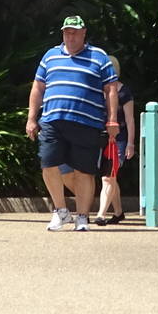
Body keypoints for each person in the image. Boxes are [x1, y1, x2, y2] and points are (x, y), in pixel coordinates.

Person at [26, 14, 120, 232]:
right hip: (52, 120)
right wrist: (32, 118)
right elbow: (38, 87)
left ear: (84, 33)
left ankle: (83, 217)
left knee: (84, 171)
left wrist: (112, 119)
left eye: (75, 32)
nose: (71, 36)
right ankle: (60, 211)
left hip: (87, 122)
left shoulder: (99, 57)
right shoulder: (50, 56)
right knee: (48, 165)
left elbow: (111, 89)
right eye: (67, 32)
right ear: (63, 33)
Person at [95, 56, 136, 225]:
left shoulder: (124, 92)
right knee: (111, 177)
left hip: (118, 139)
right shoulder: (97, 91)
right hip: (100, 138)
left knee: (108, 178)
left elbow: (130, 119)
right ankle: (118, 212)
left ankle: (100, 214)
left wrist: (130, 143)